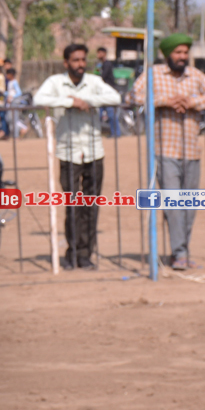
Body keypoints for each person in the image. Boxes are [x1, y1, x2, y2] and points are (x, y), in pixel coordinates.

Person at [131, 33, 205, 270]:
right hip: (164, 149)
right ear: (167, 55)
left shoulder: (195, 75)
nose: (182, 57)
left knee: (189, 205)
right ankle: (180, 253)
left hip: (192, 150)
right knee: (173, 203)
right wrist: (164, 100)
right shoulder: (153, 74)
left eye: (185, 52)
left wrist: (193, 102)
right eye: (178, 52)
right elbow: (134, 96)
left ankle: (181, 250)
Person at [36, 44, 122, 269]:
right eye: (75, 60)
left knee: (91, 205)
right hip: (68, 152)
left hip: (94, 152)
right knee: (73, 205)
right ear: (66, 63)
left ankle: (86, 254)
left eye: (83, 59)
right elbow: (38, 99)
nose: (80, 64)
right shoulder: (56, 82)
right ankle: (72, 253)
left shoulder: (94, 82)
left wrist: (88, 101)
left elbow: (115, 97)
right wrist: (70, 102)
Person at [93, 46, 122, 138]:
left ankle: (116, 133)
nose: (98, 55)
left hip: (108, 93)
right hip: (102, 94)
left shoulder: (107, 64)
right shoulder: (100, 65)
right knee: (98, 115)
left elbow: (102, 77)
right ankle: (95, 134)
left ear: (104, 54)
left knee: (111, 114)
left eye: (99, 53)